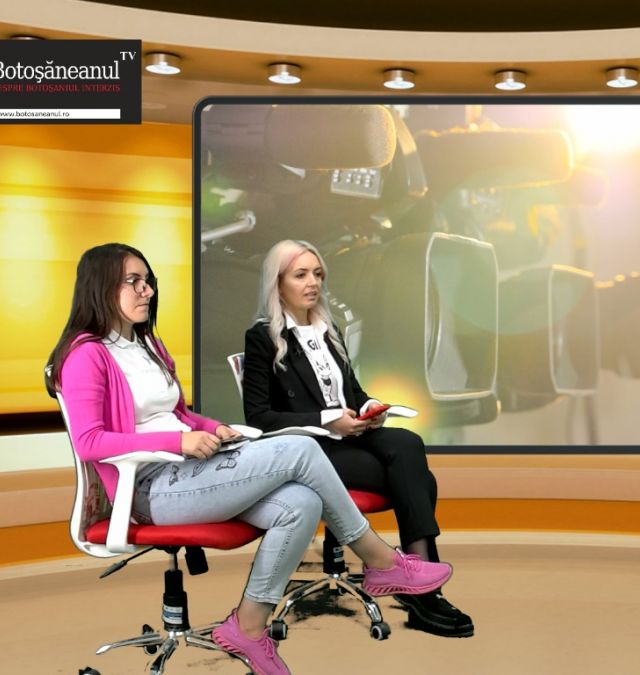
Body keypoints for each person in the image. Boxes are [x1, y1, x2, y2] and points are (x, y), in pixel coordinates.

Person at [49, 243, 454, 675]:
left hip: (191, 473)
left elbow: (179, 414)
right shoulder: (85, 354)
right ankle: (381, 561)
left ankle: (247, 626)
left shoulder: (147, 345)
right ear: (100, 286)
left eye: (147, 281)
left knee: (302, 502)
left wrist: (213, 428)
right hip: (153, 489)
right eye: (133, 282)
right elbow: (89, 442)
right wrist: (180, 442)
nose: (146, 290)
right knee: (302, 447)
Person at [242, 239, 474, 638]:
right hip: (311, 448)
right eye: (301, 275)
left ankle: (417, 582)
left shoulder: (329, 329)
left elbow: (352, 391)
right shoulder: (262, 337)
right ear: (277, 283)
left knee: (409, 443)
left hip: (349, 434)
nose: (313, 283)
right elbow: (259, 418)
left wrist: (370, 406)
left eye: (318, 274)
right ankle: (424, 591)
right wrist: (328, 421)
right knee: (421, 480)